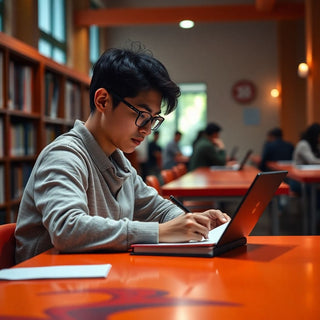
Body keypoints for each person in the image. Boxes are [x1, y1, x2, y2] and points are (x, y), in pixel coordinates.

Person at [15, 44, 230, 263]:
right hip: (44, 287)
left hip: (92, 279)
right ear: (103, 101)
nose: (146, 129)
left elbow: (156, 208)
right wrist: (159, 232)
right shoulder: (64, 155)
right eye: (142, 114)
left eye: (154, 119)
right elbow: (67, 229)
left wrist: (193, 222)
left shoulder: (120, 163)